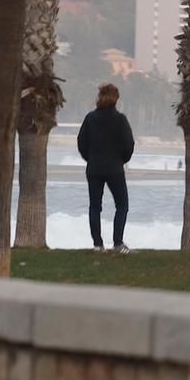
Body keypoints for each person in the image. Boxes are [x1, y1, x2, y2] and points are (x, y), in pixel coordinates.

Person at [77, 83, 135, 254]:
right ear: (116, 98)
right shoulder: (120, 119)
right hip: (114, 168)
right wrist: (121, 160)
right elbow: (128, 144)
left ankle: (98, 244)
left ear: (99, 97)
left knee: (95, 206)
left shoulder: (90, 118)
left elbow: (81, 143)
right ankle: (118, 243)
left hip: (94, 168)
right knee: (122, 205)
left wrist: (90, 158)